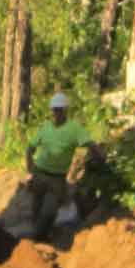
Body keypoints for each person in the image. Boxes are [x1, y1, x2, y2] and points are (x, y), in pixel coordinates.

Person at [24, 92, 96, 239]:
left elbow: (89, 143)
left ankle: (38, 236)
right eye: (53, 110)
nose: (55, 113)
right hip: (40, 173)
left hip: (57, 177)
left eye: (58, 110)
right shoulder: (45, 128)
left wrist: (100, 155)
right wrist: (30, 167)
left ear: (65, 111)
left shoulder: (74, 128)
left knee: (50, 210)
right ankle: (37, 238)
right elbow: (30, 148)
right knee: (36, 207)